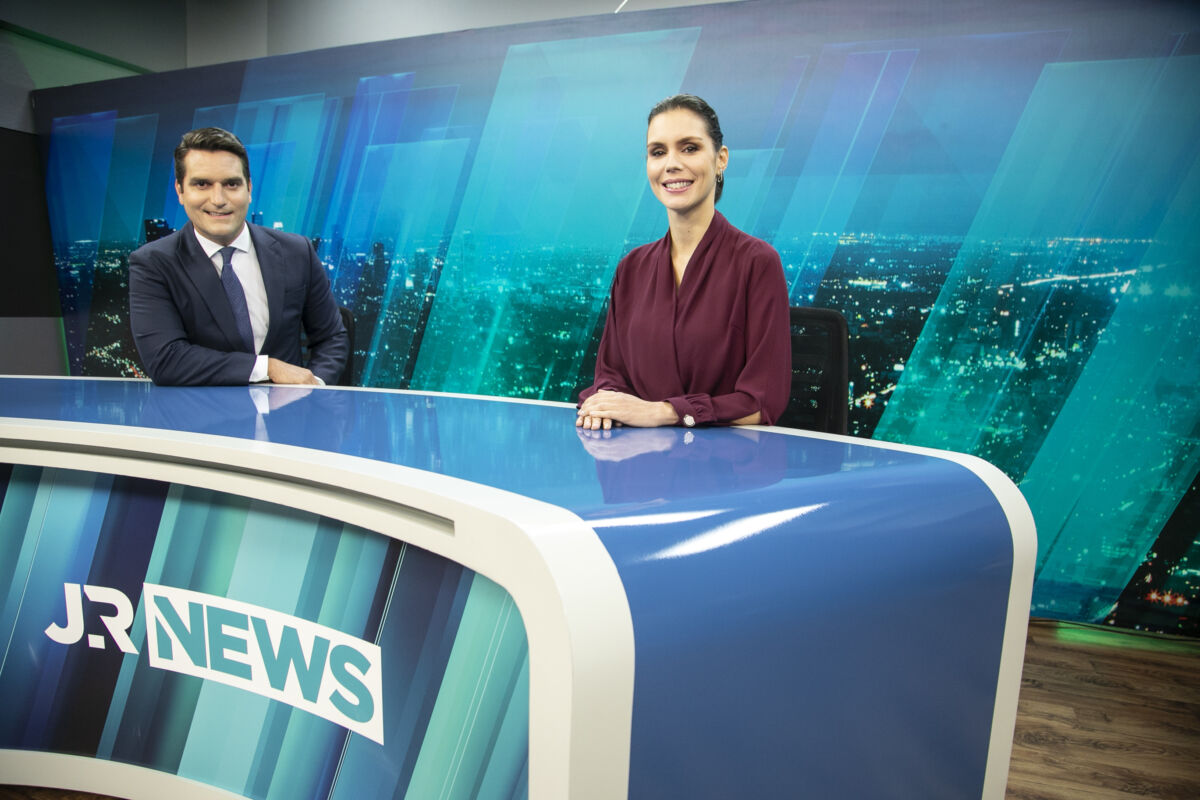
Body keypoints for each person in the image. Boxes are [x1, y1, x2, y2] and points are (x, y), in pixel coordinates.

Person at [577, 95, 791, 430]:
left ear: (721, 159)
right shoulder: (630, 269)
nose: (671, 164)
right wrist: (604, 404)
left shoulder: (758, 263)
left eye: (689, 148)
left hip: (725, 471)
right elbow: (610, 377)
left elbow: (762, 402)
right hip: (635, 462)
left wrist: (663, 412)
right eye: (658, 152)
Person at [129, 127, 347, 386]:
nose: (218, 199)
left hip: (290, 417)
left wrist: (313, 388)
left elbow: (331, 337)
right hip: (203, 422)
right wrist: (268, 368)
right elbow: (166, 359)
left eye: (231, 184)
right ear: (180, 191)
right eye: (202, 184)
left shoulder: (296, 251)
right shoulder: (153, 263)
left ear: (249, 188)